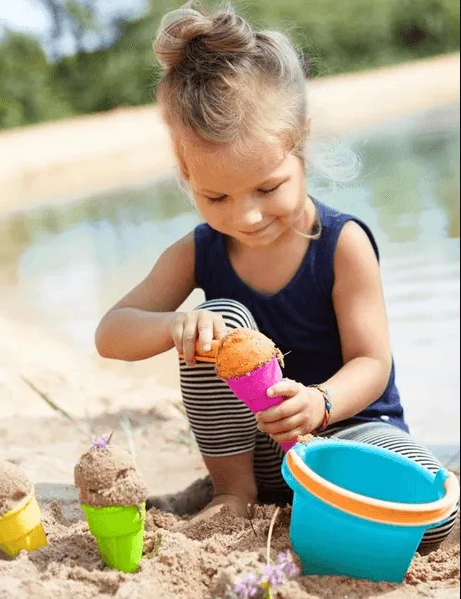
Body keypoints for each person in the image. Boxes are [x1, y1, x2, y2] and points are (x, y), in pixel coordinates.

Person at [95, 2, 456, 546]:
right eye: (215, 196)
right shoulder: (197, 252)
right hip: (256, 458)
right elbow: (111, 333)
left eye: (267, 187)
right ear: (186, 174)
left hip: (351, 435)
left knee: (438, 520)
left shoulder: (342, 244)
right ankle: (230, 494)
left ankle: (311, 494)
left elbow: (372, 362)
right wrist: (175, 327)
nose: (246, 217)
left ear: (300, 141)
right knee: (215, 319)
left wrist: (321, 403)